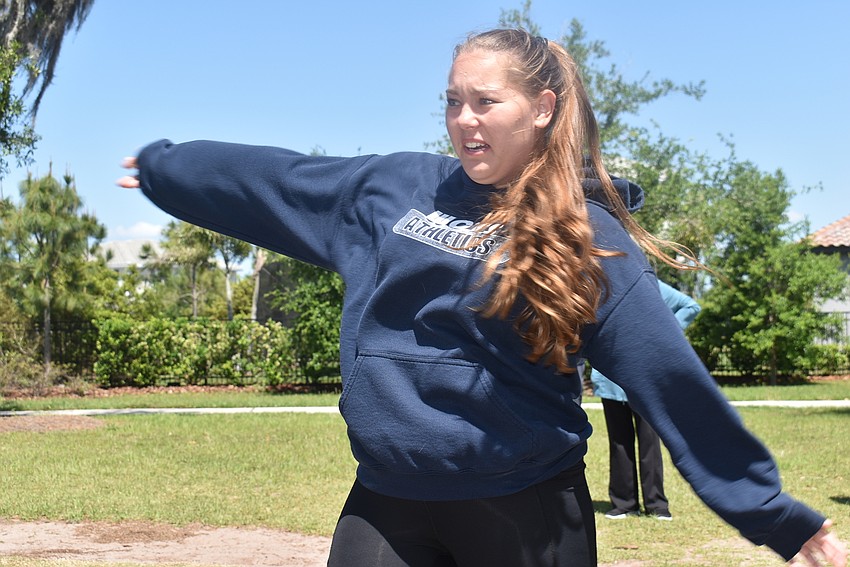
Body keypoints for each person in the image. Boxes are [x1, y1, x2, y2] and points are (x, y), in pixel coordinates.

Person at [117, 28, 847, 567]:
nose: (464, 119)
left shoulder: (582, 236)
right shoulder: (392, 189)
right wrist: (165, 169)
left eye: (485, 101)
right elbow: (277, 179)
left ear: (540, 108)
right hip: (388, 500)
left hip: (525, 509)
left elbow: (670, 379)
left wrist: (777, 516)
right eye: (453, 102)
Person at [591, 280, 700, 521]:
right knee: (619, 443)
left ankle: (657, 505)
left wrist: (664, 334)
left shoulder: (647, 283)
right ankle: (624, 504)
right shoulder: (598, 286)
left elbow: (690, 306)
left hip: (646, 380)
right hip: (611, 380)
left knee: (650, 444)